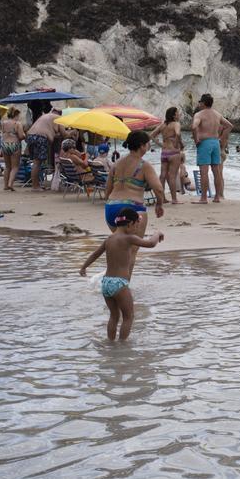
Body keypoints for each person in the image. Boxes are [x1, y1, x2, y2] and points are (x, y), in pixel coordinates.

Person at [78, 207, 164, 341]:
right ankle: (122, 347)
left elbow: (95, 254)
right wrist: (157, 233)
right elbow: (151, 243)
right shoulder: (129, 238)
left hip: (106, 283)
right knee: (129, 317)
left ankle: (111, 344)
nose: (137, 229)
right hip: (120, 284)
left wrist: (84, 267)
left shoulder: (109, 239)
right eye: (136, 225)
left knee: (114, 316)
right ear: (129, 224)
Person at [104, 131, 166, 273]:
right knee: (131, 251)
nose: (149, 146)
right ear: (142, 146)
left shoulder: (116, 164)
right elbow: (159, 189)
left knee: (122, 247)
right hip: (133, 208)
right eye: (147, 143)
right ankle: (124, 287)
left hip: (111, 208)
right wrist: (159, 204)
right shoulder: (144, 165)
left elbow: (107, 191)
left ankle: (114, 282)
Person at [191, 93, 233, 204]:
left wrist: (196, 140)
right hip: (215, 143)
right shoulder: (217, 114)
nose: (199, 104)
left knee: (204, 171)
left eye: (200, 102)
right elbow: (229, 126)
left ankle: (203, 198)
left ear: (204, 103)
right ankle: (217, 197)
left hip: (204, 143)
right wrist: (221, 138)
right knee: (216, 172)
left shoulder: (199, 115)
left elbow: (194, 126)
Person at [155, 107, 186, 204]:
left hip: (164, 152)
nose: (179, 115)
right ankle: (174, 199)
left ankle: (161, 198)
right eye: (177, 113)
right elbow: (177, 133)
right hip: (173, 152)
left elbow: (151, 135)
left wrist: (160, 144)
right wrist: (178, 143)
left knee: (162, 175)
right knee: (172, 176)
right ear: (173, 115)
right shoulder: (176, 124)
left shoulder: (162, 125)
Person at [25, 108, 61, 191]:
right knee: (37, 163)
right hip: (40, 137)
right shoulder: (58, 118)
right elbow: (64, 134)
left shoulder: (44, 116)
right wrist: (72, 132)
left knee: (35, 162)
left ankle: (36, 185)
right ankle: (35, 187)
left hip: (30, 136)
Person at [0, 108, 26, 191]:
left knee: (7, 167)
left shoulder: (3, 123)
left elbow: (3, 133)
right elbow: (21, 136)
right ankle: (10, 184)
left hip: (4, 144)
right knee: (15, 167)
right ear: (16, 115)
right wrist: (25, 135)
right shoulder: (17, 123)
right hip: (14, 144)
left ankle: (5, 185)